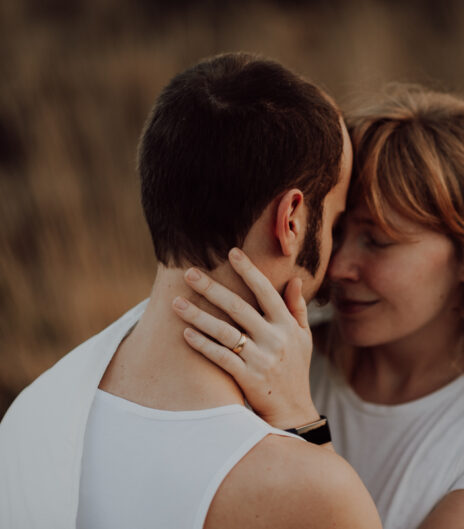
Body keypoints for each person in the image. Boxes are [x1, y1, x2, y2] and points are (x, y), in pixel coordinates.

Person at [173, 86, 464, 528]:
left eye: (378, 242)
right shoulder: (285, 352)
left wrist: (298, 417)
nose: (338, 267)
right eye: (336, 230)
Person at [0, 52, 382, 529]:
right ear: (292, 220)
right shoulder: (312, 491)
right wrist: (303, 424)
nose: (340, 256)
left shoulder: (31, 415)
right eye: (338, 220)